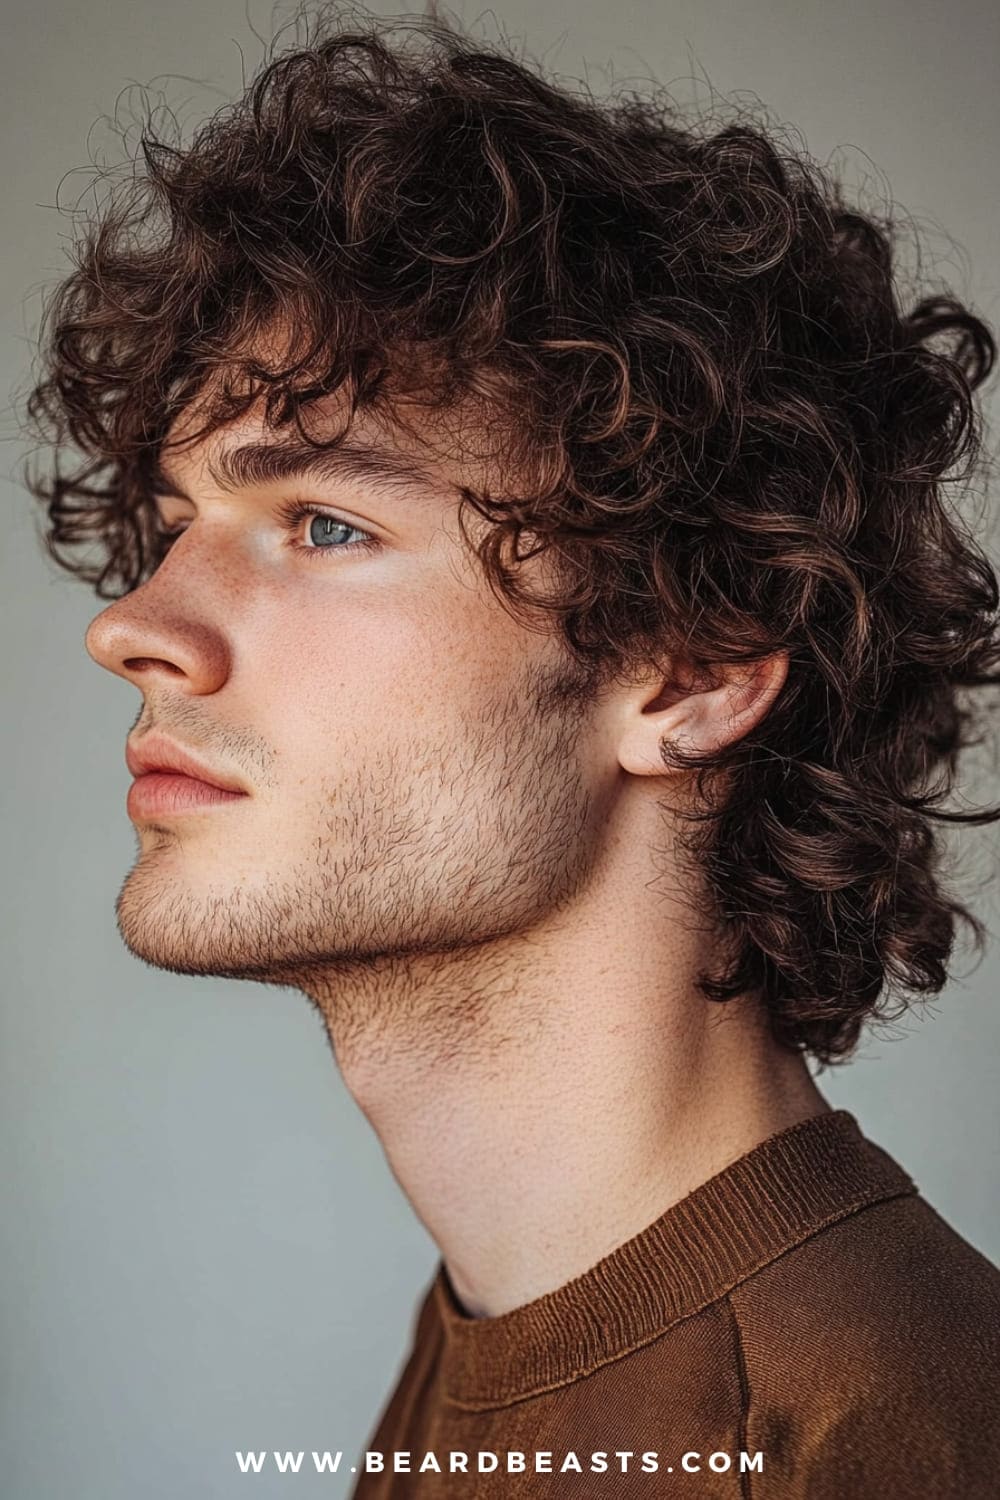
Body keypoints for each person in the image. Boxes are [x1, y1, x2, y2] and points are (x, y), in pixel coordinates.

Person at [23, 9, 1000, 1496]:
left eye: (326, 526)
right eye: (175, 530)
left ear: (693, 670)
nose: (139, 629)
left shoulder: (873, 1437)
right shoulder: (511, 1327)